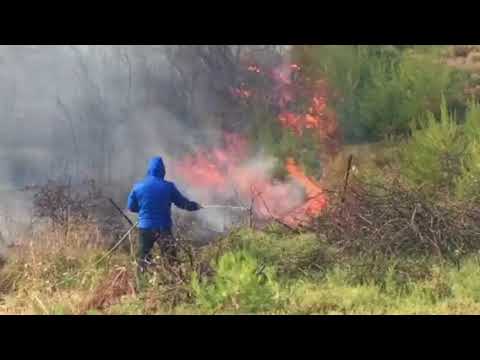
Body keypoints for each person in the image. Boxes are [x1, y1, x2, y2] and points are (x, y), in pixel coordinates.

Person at [127, 156, 202, 272]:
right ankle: (174, 280)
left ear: (149, 170)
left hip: (145, 228)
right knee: (171, 258)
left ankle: (141, 283)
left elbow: (131, 207)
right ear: (163, 171)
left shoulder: (138, 187)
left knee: (143, 258)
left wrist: (144, 210)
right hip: (163, 228)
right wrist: (195, 206)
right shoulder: (168, 186)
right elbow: (183, 203)